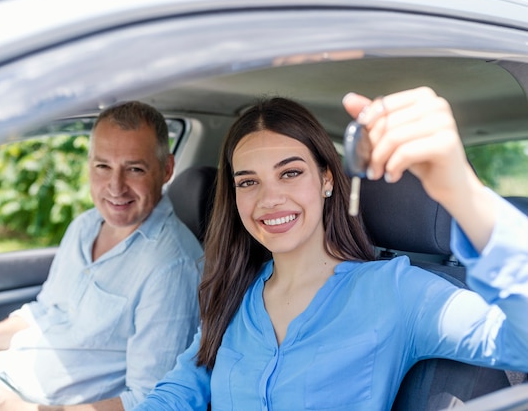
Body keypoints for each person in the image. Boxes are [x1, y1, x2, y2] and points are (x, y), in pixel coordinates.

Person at [124, 87, 527, 410]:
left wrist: (461, 191)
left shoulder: (394, 291)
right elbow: (175, 395)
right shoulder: (232, 294)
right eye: (249, 182)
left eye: (291, 172)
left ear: (327, 180)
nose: (269, 199)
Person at [0, 101, 204, 411]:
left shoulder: (172, 266)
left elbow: (149, 401)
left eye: (134, 168)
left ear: (166, 170)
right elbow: (45, 315)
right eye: (103, 166)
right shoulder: (84, 226)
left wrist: (22, 409)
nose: (115, 186)